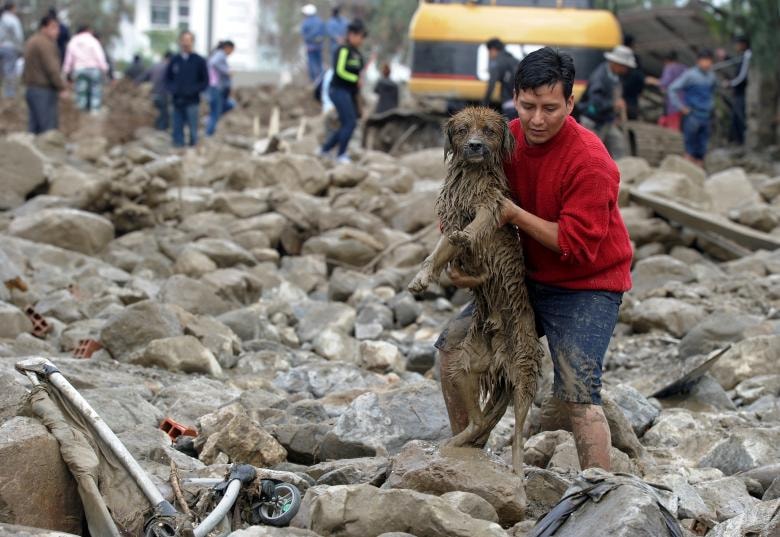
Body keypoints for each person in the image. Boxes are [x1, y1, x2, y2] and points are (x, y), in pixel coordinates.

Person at [437, 47, 632, 472]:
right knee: (452, 348)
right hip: (521, 277)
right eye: (527, 107)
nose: (537, 120)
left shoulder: (591, 161)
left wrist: (513, 214)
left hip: (586, 284)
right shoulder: (498, 138)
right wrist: (462, 262)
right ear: (514, 98)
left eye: (550, 108)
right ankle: (472, 454)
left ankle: (601, 490)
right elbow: (462, 202)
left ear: (570, 103)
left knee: (578, 392)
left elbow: (576, 245)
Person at [319, 19, 366, 164]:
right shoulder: (343, 50)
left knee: (349, 123)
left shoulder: (358, 54)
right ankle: (341, 154)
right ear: (352, 35)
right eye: (360, 36)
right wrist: (354, 79)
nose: (361, 40)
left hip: (350, 93)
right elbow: (339, 71)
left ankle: (325, 149)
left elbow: (360, 71)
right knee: (349, 123)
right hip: (338, 90)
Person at [577, 44, 635, 159]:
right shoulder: (600, 77)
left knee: (618, 144)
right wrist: (613, 105)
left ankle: (622, 171)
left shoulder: (615, 76)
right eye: (624, 66)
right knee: (592, 152)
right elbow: (595, 103)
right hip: (593, 121)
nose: (626, 70)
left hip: (606, 120)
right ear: (616, 63)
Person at [669, 49, 716, 167]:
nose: (706, 64)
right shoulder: (690, 75)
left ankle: (699, 174)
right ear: (698, 61)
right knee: (690, 146)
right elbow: (672, 89)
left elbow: (713, 91)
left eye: (709, 61)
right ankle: (688, 171)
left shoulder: (712, 76)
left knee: (702, 147)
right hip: (693, 115)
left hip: (706, 116)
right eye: (704, 61)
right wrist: (681, 107)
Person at [22, 14, 66, 134]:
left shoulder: (32, 41)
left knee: (34, 129)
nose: (57, 31)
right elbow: (52, 68)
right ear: (44, 28)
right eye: (53, 27)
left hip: (31, 89)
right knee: (48, 130)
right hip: (43, 90)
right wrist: (61, 87)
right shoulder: (45, 44)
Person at [165, 30, 209, 147]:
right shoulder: (175, 60)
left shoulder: (199, 61)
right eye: (184, 40)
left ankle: (193, 149)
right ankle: (178, 148)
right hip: (177, 100)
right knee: (177, 127)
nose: (186, 43)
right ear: (180, 42)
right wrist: (173, 90)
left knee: (193, 127)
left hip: (192, 101)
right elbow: (168, 79)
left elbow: (205, 81)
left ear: (192, 42)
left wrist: (193, 90)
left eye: (188, 40)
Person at [62, 25, 109, 112]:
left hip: (79, 69)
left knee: (81, 93)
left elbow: (68, 59)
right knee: (95, 92)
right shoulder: (93, 40)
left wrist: (67, 71)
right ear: (88, 30)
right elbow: (99, 56)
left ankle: (81, 114)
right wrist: (104, 69)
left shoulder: (73, 41)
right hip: (93, 69)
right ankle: (94, 112)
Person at [482, 38, 519, 120]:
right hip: (520, 104)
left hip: (508, 104)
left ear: (493, 50)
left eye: (489, 52)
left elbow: (491, 84)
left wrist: (484, 104)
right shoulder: (515, 60)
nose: (489, 55)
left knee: (509, 130)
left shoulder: (497, 63)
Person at [206, 40, 235, 136]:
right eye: (232, 50)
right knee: (216, 112)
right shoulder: (220, 54)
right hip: (216, 88)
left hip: (218, 88)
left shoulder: (219, 54)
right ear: (227, 48)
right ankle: (209, 133)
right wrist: (226, 71)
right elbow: (213, 63)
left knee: (227, 106)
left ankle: (209, 122)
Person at [726, 36, 751, 145]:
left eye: (737, 44)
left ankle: (743, 141)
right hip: (737, 93)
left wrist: (731, 83)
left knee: (741, 117)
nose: (735, 46)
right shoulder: (743, 56)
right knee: (735, 117)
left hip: (742, 93)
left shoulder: (748, 55)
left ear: (743, 44)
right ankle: (737, 141)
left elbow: (742, 76)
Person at [653, 50, 686, 131]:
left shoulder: (669, 68)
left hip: (672, 105)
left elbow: (664, 83)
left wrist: (652, 81)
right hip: (685, 104)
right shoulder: (684, 68)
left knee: (672, 129)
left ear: (666, 60)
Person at [0, 2, 23, 98]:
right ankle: (9, 94)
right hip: (10, 47)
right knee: (10, 70)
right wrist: (20, 48)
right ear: (12, 8)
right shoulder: (13, 19)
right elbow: (18, 36)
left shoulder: (1, 18)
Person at [621, 34, 644, 121]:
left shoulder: (618, 55)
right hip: (632, 97)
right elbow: (640, 77)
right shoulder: (635, 58)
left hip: (622, 94)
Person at [146, 51, 172, 131]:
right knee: (164, 113)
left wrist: (135, 82)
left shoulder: (155, 66)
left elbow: (145, 75)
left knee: (159, 112)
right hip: (163, 94)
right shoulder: (168, 67)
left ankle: (157, 128)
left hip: (154, 93)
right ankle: (161, 129)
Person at [300, 4, 325, 83]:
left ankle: (314, 79)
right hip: (319, 46)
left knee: (312, 63)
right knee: (319, 62)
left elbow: (303, 34)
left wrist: (309, 38)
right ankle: (321, 79)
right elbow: (323, 32)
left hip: (310, 46)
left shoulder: (306, 22)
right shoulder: (319, 21)